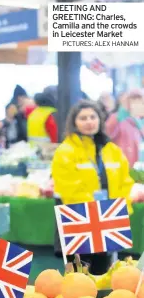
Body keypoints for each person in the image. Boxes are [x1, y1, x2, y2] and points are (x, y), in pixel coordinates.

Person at [52, 100, 135, 274]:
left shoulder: (112, 150)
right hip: (79, 221)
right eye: (83, 118)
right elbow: (69, 189)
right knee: (78, 277)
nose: (89, 121)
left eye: (93, 117)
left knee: (105, 274)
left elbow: (124, 183)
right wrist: (97, 213)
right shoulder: (65, 151)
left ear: (100, 120)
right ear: (74, 122)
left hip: (108, 220)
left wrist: (120, 210)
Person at [106, 89, 144, 167]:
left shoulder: (139, 121)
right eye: (133, 101)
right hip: (123, 168)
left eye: (140, 102)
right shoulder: (117, 118)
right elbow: (107, 132)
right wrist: (121, 113)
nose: (137, 105)